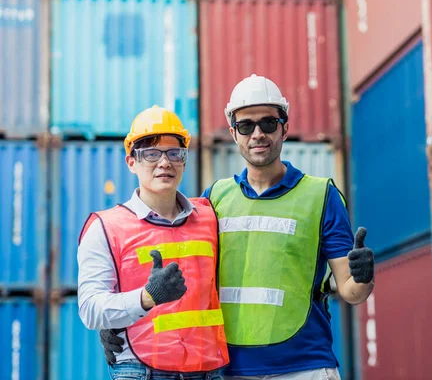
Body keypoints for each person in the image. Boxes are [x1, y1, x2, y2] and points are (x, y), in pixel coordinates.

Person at [102, 75, 375, 379]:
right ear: (233, 133)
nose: (258, 134)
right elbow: (172, 281)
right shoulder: (213, 200)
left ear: (284, 127)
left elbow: (351, 292)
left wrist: (364, 277)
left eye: (268, 123)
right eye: (246, 126)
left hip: (305, 366)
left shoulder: (321, 195)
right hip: (229, 369)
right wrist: (122, 325)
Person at [78, 105, 229, 380]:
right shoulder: (105, 227)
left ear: (184, 159)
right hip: (140, 370)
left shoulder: (210, 217)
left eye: (174, 153)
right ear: (131, 162)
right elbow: (90, 308)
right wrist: (145, 298)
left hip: (208, 371)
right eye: (151, 154)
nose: (164, 163)